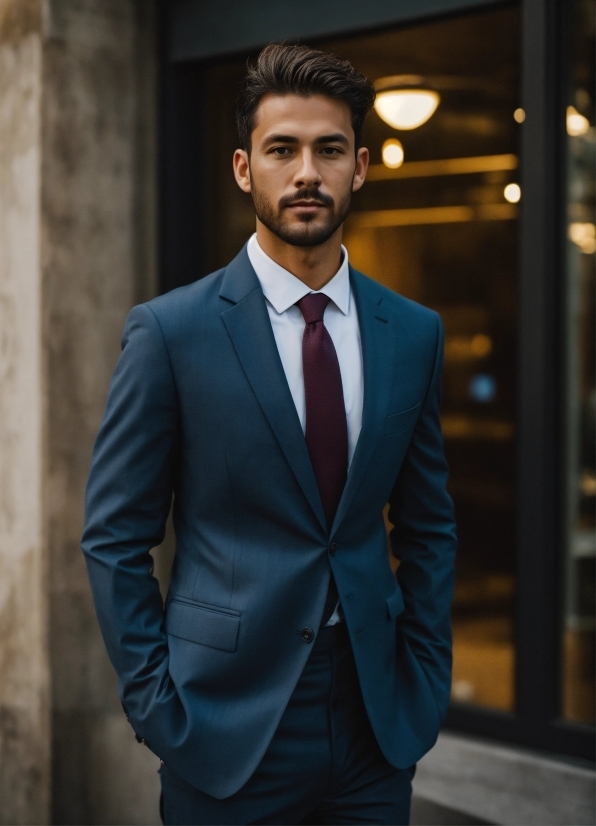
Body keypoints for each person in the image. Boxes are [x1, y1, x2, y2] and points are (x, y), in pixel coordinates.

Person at [81, 43, 457, 826]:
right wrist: (160, 709)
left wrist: (422, 680)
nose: (307, 173)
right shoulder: (171, 332)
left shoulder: (412, 333)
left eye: (328, 150)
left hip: (374, 726)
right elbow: (114, 537)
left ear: (360, 166)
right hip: (223, 726)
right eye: (282, 149)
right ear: (245, 168)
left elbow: (428, 525)